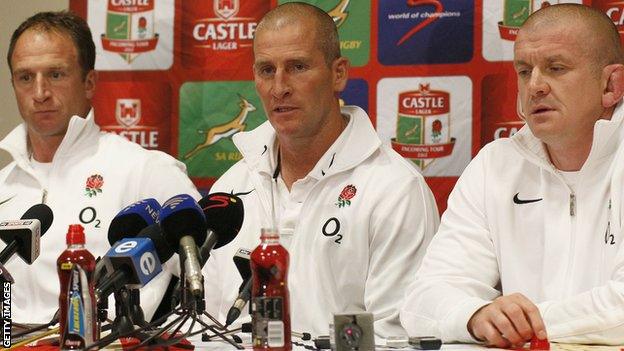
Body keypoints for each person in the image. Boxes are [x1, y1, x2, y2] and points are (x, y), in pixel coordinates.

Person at [203, 2, 439, 338]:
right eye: (266, 70)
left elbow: (397, 339)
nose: (279, 87)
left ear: (338, 73)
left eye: (297, 67)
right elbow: (208, 327)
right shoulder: (230, 188)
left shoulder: (395, 188)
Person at [400, 3, 624, 347]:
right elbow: (424, 299)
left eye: (556, 68)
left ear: (611, 84)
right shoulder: (495, 165)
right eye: (524, 70)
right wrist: (474, 317)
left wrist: (521, 324)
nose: (534, 86)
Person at [1, 11, 200, 324]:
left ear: (89, 81)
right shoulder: (2, 185)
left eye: (56, 74)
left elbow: (206, 278)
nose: (39, 93)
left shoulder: (144, 169)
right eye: (26, 77)